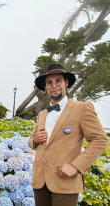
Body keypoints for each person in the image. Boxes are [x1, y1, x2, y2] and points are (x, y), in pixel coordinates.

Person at [30, 63, 108, 206]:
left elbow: (100, 140)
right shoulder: (42, 114)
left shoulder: (82, 109)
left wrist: (76, 166)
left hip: (64, 181)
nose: (54, 86)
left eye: (58, 81)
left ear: (66, 83)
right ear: (45, 87)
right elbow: (32, 141)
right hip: (40, 181)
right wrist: (35, 140)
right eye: (49, 83)